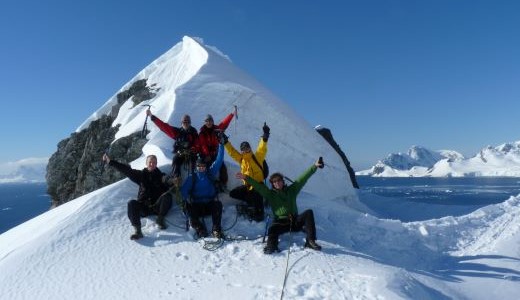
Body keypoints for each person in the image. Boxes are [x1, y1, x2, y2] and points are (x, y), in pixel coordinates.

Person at [236, 157, 324, 254]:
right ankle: (271, 246)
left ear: (283, 181)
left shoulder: (292, 190)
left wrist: (315, 166)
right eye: (274, 182)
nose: (277, 183)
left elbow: (303, 178)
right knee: (272, 229)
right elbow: (259, 187)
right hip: (281, 222)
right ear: (272, 184)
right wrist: (246, 178)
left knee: (308, 213)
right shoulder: (270, 194)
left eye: (278, 180)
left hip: (295, 221)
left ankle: (310, 241)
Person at [103, 153, 173, 240]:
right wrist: (111, 162)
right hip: (144, 207)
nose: (152, 164)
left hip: (157, 207)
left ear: (156, 164)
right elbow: (127, 170)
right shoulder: (141, 175)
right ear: (146, 163)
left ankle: (160, 219)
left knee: (167, 196)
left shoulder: (161, 175)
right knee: (132, 203)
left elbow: (167, 180)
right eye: (150, 162)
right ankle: (138, 231)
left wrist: (172, 181)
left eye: (154, 162)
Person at [180, 135, 226, 238]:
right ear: (196, 167)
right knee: (190, 209)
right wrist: (183, 203)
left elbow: (219, 161)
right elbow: (183, 192)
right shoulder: (192, 177)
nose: (201, 168)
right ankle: (200, 229)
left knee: (218, 205)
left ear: (205, 167)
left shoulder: (210, 173)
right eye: (199, 166)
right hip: (197, 206)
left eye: (203, 166)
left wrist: (221, 145)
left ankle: (216, 229)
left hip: (210, 204)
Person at [224, 123, 270, 222]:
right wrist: (225, 142)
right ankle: (250, 204)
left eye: (247, 148)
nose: (245, 150)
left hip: (258, 185)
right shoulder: (241, 159)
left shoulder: (257, 156)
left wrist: (265, 136)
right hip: (248, 186)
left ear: (250, 148)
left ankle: (259, 212)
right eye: (243, 149)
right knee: (233, 193)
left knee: (257, 196)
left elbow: (262, 148)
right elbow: (232, 152)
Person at [146, 109, 199, 181]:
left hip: (191, 154)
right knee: (176, 159)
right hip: (181, 154)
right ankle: (176, 178)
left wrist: (192, 149)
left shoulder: (194, 132)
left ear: (190, 123)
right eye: (184, 122)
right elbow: (164, 127)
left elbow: (198, 144)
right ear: (181, 123)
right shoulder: (178, 132)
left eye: (187, 122)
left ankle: (194, 179)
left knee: (194, 163)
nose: (186, 123)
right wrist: (152, 117)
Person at [198, 111, 235, 189]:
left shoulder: (217, 129)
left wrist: (231, 115)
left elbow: (224, 123)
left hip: (215, 154)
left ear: (212, 121)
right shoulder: (202, 133)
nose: (209, 122)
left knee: (222, 167)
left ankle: (223, 184)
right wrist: (207, 155)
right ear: (205, 122)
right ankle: (207, 184)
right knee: (206, 168)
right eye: (207, 121)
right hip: (206, 155)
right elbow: (203, 145)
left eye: (210, 120)